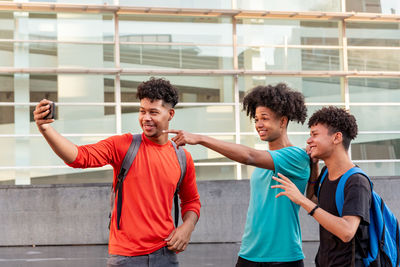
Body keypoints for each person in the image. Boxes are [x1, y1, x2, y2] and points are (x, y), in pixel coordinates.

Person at [33, 77, 201, 267]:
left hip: (166, 255)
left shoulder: (182, 157)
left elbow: (191, 201)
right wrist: (45, 128)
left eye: (153, 112)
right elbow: (79, 157)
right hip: (125, 257)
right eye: (142, 111)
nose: (146, 118)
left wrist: (187, 227)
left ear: (170, 114)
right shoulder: (124, 145)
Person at [165, 83, 310, 267]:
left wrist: (200, 138)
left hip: (283, 257)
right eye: (256, 119)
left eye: (264, 118)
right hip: (249, 254)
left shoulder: (296, 156)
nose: (259, 124)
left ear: (282, 121)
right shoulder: (264, 162)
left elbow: (249, 156)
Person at [271, 106, 371, 267]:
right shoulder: (325, 173)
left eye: (315, 134)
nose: (309, 141)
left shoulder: (357, 181)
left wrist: (300, 200)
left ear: (336, 137)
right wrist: (314, 167)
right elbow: (314, 199)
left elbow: (346, 232)